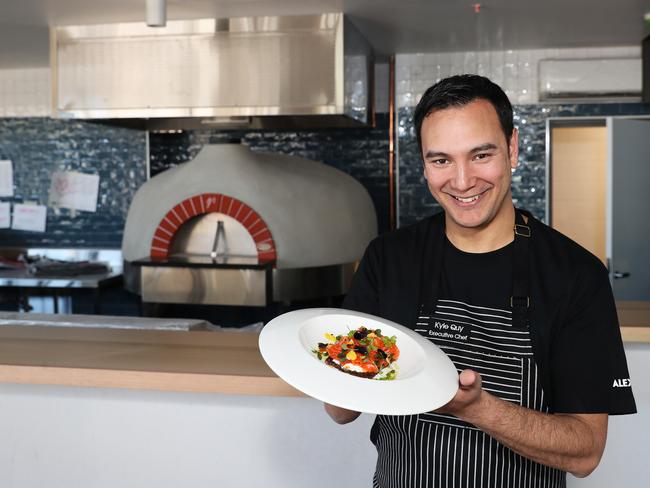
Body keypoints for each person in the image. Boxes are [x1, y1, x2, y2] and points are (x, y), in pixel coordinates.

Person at [325, 74, 636, 488]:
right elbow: (341, 411)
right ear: (424, 164)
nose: (462, 180)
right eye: (441, 160)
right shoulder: (389, 258)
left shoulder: (576, 275)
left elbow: (586, 451)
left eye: (480, 155)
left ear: (512, 148)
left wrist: (477, 409)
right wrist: (337, 369)